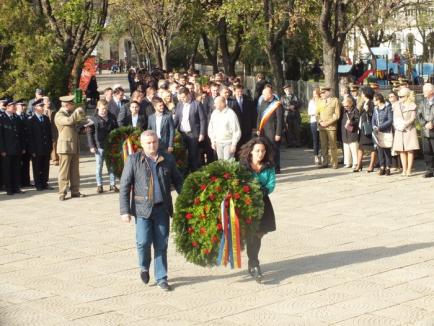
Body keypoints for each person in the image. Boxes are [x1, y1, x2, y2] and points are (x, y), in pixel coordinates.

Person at [119, 130, 183, 291]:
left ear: (158, 142)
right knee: (143, 241)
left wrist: (188, 200)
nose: (151, 145)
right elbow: (125, 186)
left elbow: (179, 181)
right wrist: (124, 210)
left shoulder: (167, 158)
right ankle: (144, 266)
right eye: (148, 143)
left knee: (162, 244)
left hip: (162, 209)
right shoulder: (134, 160)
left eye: (154, 142)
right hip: (142, 209)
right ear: (142, 144)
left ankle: (161, 278)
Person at [239, 137, 276, 283]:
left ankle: (253, 261)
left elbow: (271, 185)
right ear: (251, 152)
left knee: (258, 234)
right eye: (257, 151)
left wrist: (260, 190)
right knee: (251, 235)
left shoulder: (269, 166)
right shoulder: (243, 165)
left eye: (263, 151)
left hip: (262, 202)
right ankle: (254, 263)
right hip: (247, 203)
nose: (260, 153)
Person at [54, 95, 86, 201]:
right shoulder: (59, 115)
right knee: (64, 171)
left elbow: (78, 122)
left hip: (74, 146)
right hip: (65, 147)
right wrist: (77, 112)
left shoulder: (70, 114)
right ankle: (62, 192)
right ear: (67, 105)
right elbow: (68, 121)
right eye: (72, 104)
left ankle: (75, 191)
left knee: (75, 171)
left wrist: (83, 125)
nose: (74, 106)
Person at [87, 100, 119, 193]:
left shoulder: (112, 117)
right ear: (98, 108)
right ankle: (99, 185)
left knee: (111, 167)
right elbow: (89, 133)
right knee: (99, 166)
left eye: (105, 108)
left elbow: (116, 131)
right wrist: (91, 146)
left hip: (110, 146)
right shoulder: (93, 118)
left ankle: (112, 185)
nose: (104, 110)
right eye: (102, 108)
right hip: (99, 146)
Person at [173, 87, 206, 172]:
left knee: (193, 155)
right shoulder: (180, 104)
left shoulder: (197, 104)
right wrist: (172, 130)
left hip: (193, 134)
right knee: (182, 155)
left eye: (183, 97)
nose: (182, 99)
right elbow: (176, 119)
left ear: (188, 95)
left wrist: (202, 133)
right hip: (182, 134)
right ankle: (184, 173)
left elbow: (203, 119)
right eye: (180, 98)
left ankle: (194, 173)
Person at [392, 87, 420, 177]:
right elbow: (394, 117)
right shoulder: (396, 105)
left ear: (407, 96)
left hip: (409, 130)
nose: (400, 98)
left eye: (402, 96)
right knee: (401, 151)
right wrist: (396, 125)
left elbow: (413, 118)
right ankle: (404, 169)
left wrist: (405, 124)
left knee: (409, 150)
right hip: (399, 130)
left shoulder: (412, 105)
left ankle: (409, 169)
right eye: (399, 96)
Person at [0, 100, 25, 195]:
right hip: (6, 150)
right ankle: (9, 188)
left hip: (16, 148)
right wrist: (2, 149)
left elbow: (21, 134)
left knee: (16, 169)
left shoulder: (17, 118)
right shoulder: (2, 118)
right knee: (7, 170)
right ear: (6, 107)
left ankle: (16, 187)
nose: (14, 107)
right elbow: (1, 136)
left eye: (14, 105)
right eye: (12, 106)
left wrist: (22, 147)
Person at [256, 84, 283, 173]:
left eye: (264, 95)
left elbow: (280, 120)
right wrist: (258, 128)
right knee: (265, 150)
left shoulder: (277, 104)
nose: (263, 96)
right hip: (263, 131)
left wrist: (278, 133)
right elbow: (260, 116)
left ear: (270, 94)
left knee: (274, 150)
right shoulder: (263, 102)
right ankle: (268, 166)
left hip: (273, 131)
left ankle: (276, 168)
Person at [28, 99, 53, 190]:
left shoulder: (46, 119)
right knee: (37, 167)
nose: (42, 108)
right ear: (35, 108)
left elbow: (49, 134)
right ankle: (38, 184)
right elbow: (30, 137)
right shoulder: (31, 120)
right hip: (36, 149)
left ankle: (44, 183)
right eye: (40, 106)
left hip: (46, 148)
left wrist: (50, 146)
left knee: (45, 167)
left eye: (43, 106)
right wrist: (32, 150)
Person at [208, 96, 241, 160]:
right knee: (221, 165)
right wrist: (213, 141)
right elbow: (211, 129)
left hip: (228, 143)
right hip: (218, 143)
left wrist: (234, 144)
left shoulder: (231, 114)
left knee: (228, 165)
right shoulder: (214, 113)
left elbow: (236, 131)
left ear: (222, 103)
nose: (214, 105)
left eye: (216, 103)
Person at [317, 86, 340, 169]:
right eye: (321, 93)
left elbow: (337, 115)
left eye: (323, 93)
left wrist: (327, 123)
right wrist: (320, 122)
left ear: (328, 92)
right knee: (323, 145)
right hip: (322, 127)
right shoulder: (319, 101)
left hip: (331, 127)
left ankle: (334, 163)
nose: (322, 94)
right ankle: (325, 162)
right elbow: (317, 114)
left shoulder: (335, 101)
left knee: (333, 145)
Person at [354, 86, 376, 172]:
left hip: (369, 128)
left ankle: (371, 165)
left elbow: (373, 115)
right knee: (360, 146)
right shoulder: (363, 103)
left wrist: (368, 111)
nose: (361, 94)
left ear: (366, 93)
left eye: (362, 93)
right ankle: (359, 165)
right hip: (362, 127)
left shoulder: (372, 103)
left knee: (372, 148)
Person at [372, 93, 393, 176]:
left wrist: (380, 127)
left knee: (386, 150)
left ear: (379, 100)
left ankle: (388, 167)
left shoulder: (388, 107)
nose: (373, 102)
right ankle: (382, 166)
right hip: (377, 132)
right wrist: (374, 127)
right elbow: (373, 119)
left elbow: (390, 120)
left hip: (385, 131)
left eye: (374, 100)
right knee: (380, 150)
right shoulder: (375, 108)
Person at [418, 83, 434, 178]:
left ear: (431, 91)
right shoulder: (422, 102)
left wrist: (432, 123)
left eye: (425, 90)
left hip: (433, 129)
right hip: (425, 130)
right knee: (427, 151)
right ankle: (429, 170)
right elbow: (419, 115)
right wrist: (425, 124)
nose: (423, 92)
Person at [15, 99, 32, 187]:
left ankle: (26, 182)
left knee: (26, 164)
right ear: (17, 106)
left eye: (23, 105)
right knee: (19, 165)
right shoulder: (15, 117)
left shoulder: (26, 116)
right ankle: (19, 182)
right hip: (19, 145)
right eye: (21, 105)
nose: (23, 107)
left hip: (27, 144)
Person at [233, 84, 255, 149]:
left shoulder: (248, 100)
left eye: (241, 91)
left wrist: (253, 126)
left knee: (247, 145)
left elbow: (253, 114)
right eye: (238, 91)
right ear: (234, 91)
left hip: (247, 127)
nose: (240, 93)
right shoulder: (231, 101)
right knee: (237, 145)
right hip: (236, 127)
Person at [341, 96, 360, 169]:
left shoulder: (355, 110)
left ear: (351, 104)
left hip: (352, 132)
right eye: (344, 106)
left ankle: (355, 163)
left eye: (347, 106)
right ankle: (348, 162)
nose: (345, 107)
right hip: (345, 132)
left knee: (354, 148)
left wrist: (351, 122)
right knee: (346, 148)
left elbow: (357, 121)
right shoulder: (344, 111)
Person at [388, 91, 402, 172]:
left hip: (398, 127)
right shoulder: (389, 106)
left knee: (398, 146)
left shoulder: (399, 104)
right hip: (391, 128)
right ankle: (394, 164)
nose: (391, 98)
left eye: (392, 96)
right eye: (389, 97)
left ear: (396, 97)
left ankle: (400, 165)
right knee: (392, 146)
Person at [308, 88, 321, 165]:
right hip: (313, 121)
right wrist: (315, 113)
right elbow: (309, 112)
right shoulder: (311, 102)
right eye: (313, 93)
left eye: (315, 93)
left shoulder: (321, 100)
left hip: (321, 121)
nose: (314, 95)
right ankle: (316, 156)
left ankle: (322, 155)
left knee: (322, 139)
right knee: (315, 140)